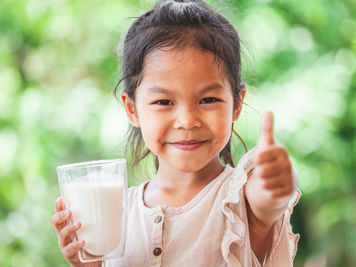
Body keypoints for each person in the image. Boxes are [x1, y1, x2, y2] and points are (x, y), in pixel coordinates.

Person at [51, 0, 301, 266]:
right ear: (132, 109)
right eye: (164, 102)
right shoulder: (118, 212)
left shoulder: (241, 198)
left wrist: (277, 180)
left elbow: (268, 199)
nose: (187, 121)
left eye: (208, 100)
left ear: (236, 104)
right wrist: (88, 264)